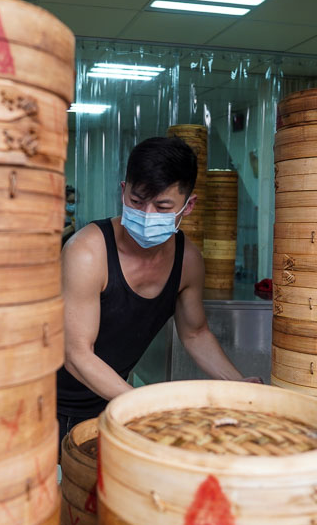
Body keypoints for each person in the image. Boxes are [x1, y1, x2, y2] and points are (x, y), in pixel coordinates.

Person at [56, 136, 257, 444]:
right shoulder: (87, 252)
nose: (147, 214)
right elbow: (76, 354)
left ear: (188, 206)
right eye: (137, 201)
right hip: (49, 403)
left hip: (111, 399)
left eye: (163, 206)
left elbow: (195, 334)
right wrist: (145, 406)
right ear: (123, 191)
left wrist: (239, 384)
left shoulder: (187, 260)